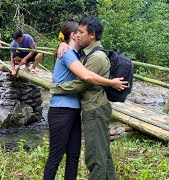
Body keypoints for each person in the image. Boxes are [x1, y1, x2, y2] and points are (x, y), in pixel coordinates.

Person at [44, 20, 127, 180]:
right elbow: (85, 77)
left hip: (76, 111)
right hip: (61, 111)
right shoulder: (68, 52)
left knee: (74, 155)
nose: (81, 35)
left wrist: (62, 43)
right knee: (56, 156)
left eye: (83, 32)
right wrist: (111, 82)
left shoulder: (82, 54)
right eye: (79, 32)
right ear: (73, 35)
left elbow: (85, 78)